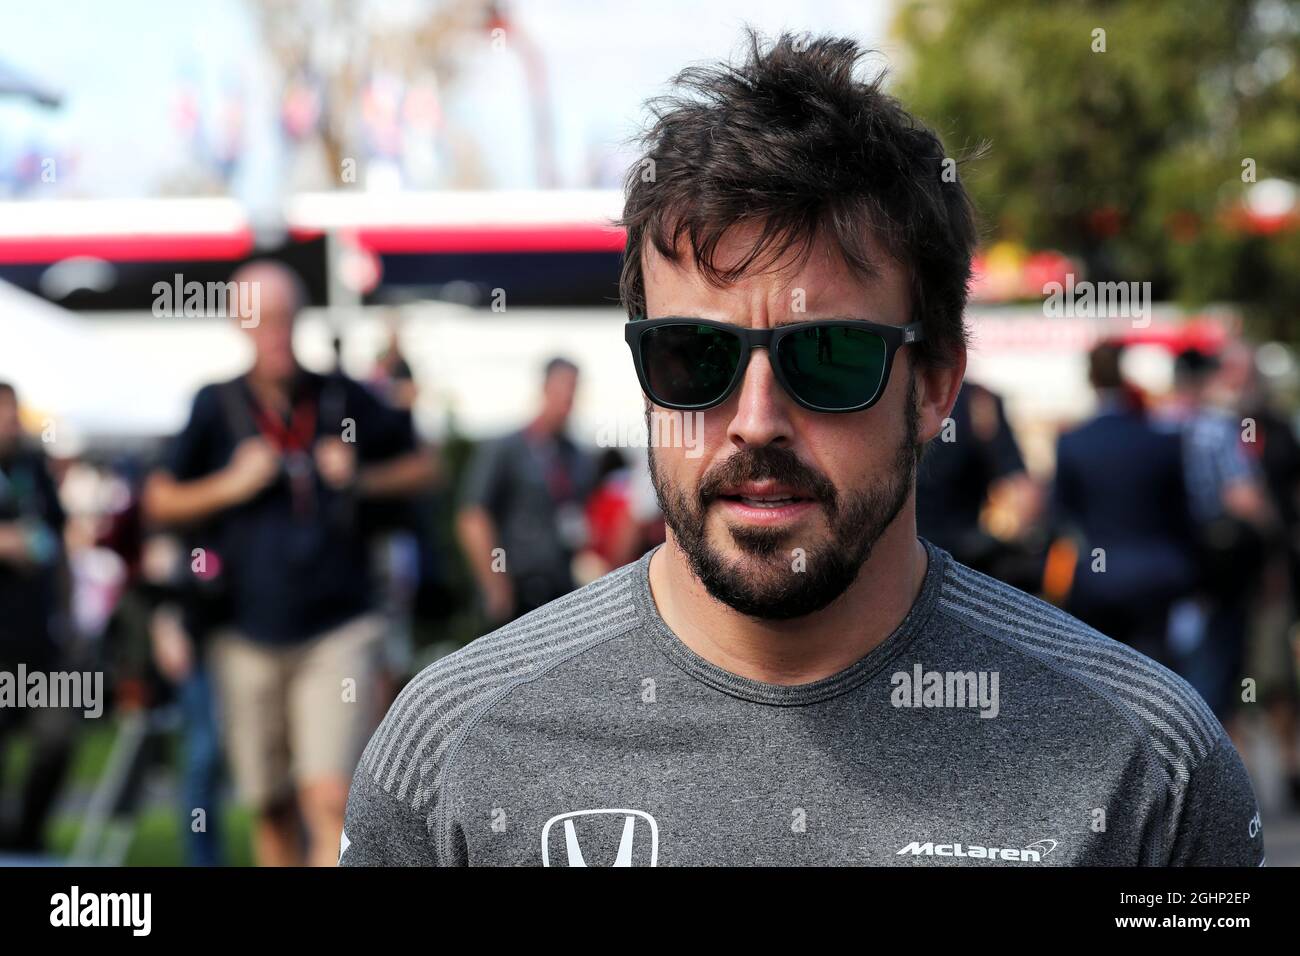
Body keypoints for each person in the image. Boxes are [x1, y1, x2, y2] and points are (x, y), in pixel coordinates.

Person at [342, 31, 1263, 866]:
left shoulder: (1145, 769)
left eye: (827, 356)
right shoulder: (453, 753)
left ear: (936, 381)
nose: (755, 419)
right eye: (693, 354)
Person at [142, 260, 436, 866]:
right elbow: (159, 499)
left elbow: (425, 467)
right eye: (261, 320)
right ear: (239, 325)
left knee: (328, 797)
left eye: (284, 318)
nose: (275, 332)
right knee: (270, 804)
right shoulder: (215, 405)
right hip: (245, 634)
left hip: (339, 628)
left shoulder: (337, 395)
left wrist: (361, 476)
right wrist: (230, 484)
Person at [1050, 343, 1201, 665]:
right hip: (1157, 577)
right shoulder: (1163, 442)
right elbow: (1184, 517)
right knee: (1158, 677)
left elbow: (1061, 516)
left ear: (1091, 378)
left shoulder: (1073, 443)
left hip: (1097, 579)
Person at [455, 357, 595, 625]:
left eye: (573, 390)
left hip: (562, 590)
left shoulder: (577, 456)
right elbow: (472, 516)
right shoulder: (506, 449)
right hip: (516, 589)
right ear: (544, 389)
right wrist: (494, 583)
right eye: (561, 388)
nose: (567, 399)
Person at [0, 382, 74, 854]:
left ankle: (27, 838)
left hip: (38, 640)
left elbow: (57, 536)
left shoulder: (31, 466)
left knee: (58, 734)